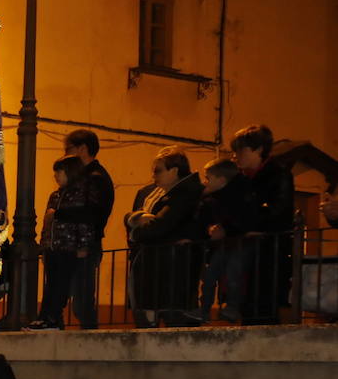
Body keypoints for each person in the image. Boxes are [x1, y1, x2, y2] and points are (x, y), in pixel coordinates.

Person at [125, 146, 205, 327]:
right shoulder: (156, 194)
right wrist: (134, 221)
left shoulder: (184, 194)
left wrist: (136, 232)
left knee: (176, 322)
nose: (153, 175)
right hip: (159, 268)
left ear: (175, 170)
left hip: (174, 270)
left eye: (158, 171)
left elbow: (159, 226)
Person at [231, 124, 296, 324]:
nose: (235, 156)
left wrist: (252, 224)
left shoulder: (278, 175)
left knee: (264, 308)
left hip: (268, 252)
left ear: (258, 149)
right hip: (245, 252)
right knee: (246, 308)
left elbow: (278, 213)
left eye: (240, 150)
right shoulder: (240, 179)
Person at [186, 157, 258, 323]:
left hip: (239, 241)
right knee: (210, 276)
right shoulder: (212, 199)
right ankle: (204, 310)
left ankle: (232, 307)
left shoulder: (238, 196)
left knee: (234, 272)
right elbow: (207, 220)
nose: (205, 182)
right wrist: (211, 228)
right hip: (225, 243)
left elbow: (243, 219)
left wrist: (225, 229)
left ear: (221, 180)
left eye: (208, 177)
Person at [26, 156, 93, 330]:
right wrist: (43, 245)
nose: (56, 176)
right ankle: (45, 317)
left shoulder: (80, 194)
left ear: (70, 172)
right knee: (51, 283)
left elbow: (84, 222)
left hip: (67, 246)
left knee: (61, 284)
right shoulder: (55, 195)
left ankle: (53, 317)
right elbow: (46, 222)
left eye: (59, 172)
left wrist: (83, 245)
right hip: (52, 246)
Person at [61, 129, 115, 329]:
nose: (65, 154)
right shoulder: (90, 176)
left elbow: (89, 214)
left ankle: (90, 335)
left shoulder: (94, 178)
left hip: (85, 245)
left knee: (82, 299)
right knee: (78, 297)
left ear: (82, 149)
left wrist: (59, 214)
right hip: (82, 242)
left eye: (69, 149)